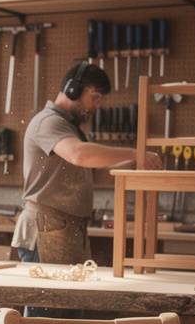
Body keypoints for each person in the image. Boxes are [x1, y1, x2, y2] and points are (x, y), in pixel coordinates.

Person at [12, 61, 162, 268]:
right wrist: (135, 152)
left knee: (66, 299)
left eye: (101, 99)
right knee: (47, 300)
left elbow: (91, 175)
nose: (98, 105)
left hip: (66, 229)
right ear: (72, 89)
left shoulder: (69, 128)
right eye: (95, 97)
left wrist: (135, 163)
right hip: (47, 228)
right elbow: (78, 155)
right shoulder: (49, 121)